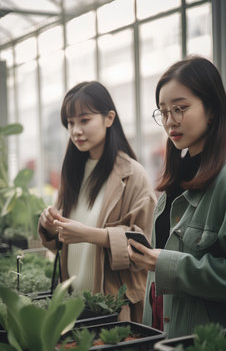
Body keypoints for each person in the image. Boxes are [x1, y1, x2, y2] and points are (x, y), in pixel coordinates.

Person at [127, 55, 226, 337]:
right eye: (164, 112)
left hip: (205, 348)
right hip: (163, 332)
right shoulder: (180, 175)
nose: (171, 121)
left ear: (212, 109)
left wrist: (167, 264)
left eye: (180, 109)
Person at [39, 81, 156, 322]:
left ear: (109, 118)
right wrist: (50, 228)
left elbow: (144, 246)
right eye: (70, 123)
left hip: (112, 308)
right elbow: (62, 243)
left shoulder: (133, 175)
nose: (75, 130)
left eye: (84, 120)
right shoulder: (73, 172)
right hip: (72, 306)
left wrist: (89, 234)